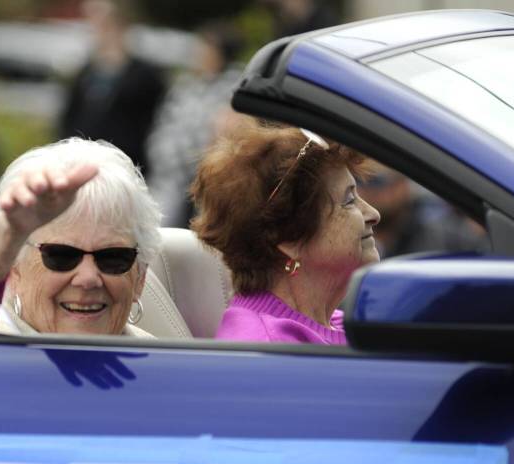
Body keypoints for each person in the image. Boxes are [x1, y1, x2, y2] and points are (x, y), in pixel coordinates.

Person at [0, 138, 161, 337]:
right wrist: (5, 238)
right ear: (13, 270)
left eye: (113, 258)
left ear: (140, 278)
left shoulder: (161, 363)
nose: (88, 278)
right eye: (61, 256)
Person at [190, 119, 379, 344]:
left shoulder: (335, 323)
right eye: (348, 201)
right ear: (290, 236)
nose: (374, 214)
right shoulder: (262, 348)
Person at [146, 20, 244, 228]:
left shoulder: (236, 87)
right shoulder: (185, 85)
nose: (200, 54)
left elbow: (225, 132)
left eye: (207, 48)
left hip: (210, 179)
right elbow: (165, 124)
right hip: (170, 178)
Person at [58, 0, 166, 174]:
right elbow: (69, 118)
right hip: (83, 162)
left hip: (124, 164)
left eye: (103, 24)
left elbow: (154, 123)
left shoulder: (145, 75)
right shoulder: (86, 72)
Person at [357, 165, 488, 258]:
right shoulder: (354, 236)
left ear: (403, 186)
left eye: (375, 181)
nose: (363, 191)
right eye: (358, 181)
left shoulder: (441, 239)